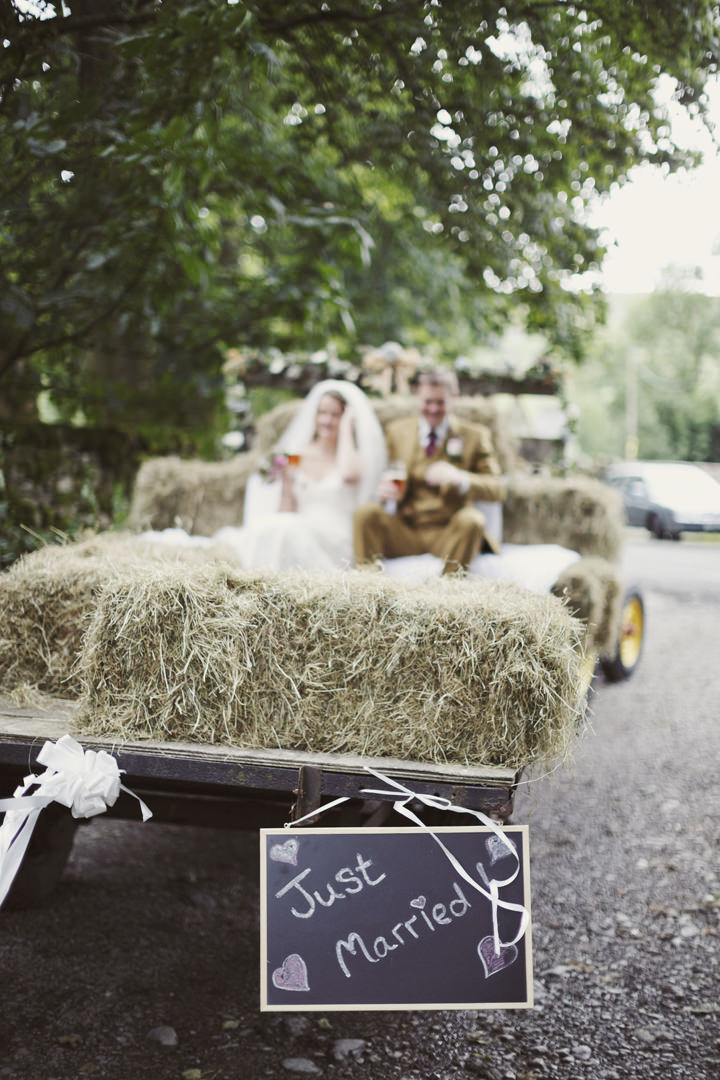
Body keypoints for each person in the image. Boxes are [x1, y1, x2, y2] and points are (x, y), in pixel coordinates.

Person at [218, 379, 387, 572]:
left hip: (335, 539)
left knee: (289, 529)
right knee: (270, 528)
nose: (326, 420)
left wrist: (347, 426)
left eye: (335, 415)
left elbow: (348, 475)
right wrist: (285, 483)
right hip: (300, 530)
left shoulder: (353, 458)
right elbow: (288, 509)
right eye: (322, 413)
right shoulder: (298, 456)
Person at [353, 368, 505, 574]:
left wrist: (460, 478)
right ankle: (368, 590)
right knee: (365, 514)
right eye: (427, 402)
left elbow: (497, 489)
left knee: (473, 520)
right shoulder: (397, 432)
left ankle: (447, 591)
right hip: (406, 531)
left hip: (449, 533)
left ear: (454, 397)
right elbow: (381, 474)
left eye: (440, 402)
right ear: (416, 394)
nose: (433, 409)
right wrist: (383, 491)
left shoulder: (475, 436)